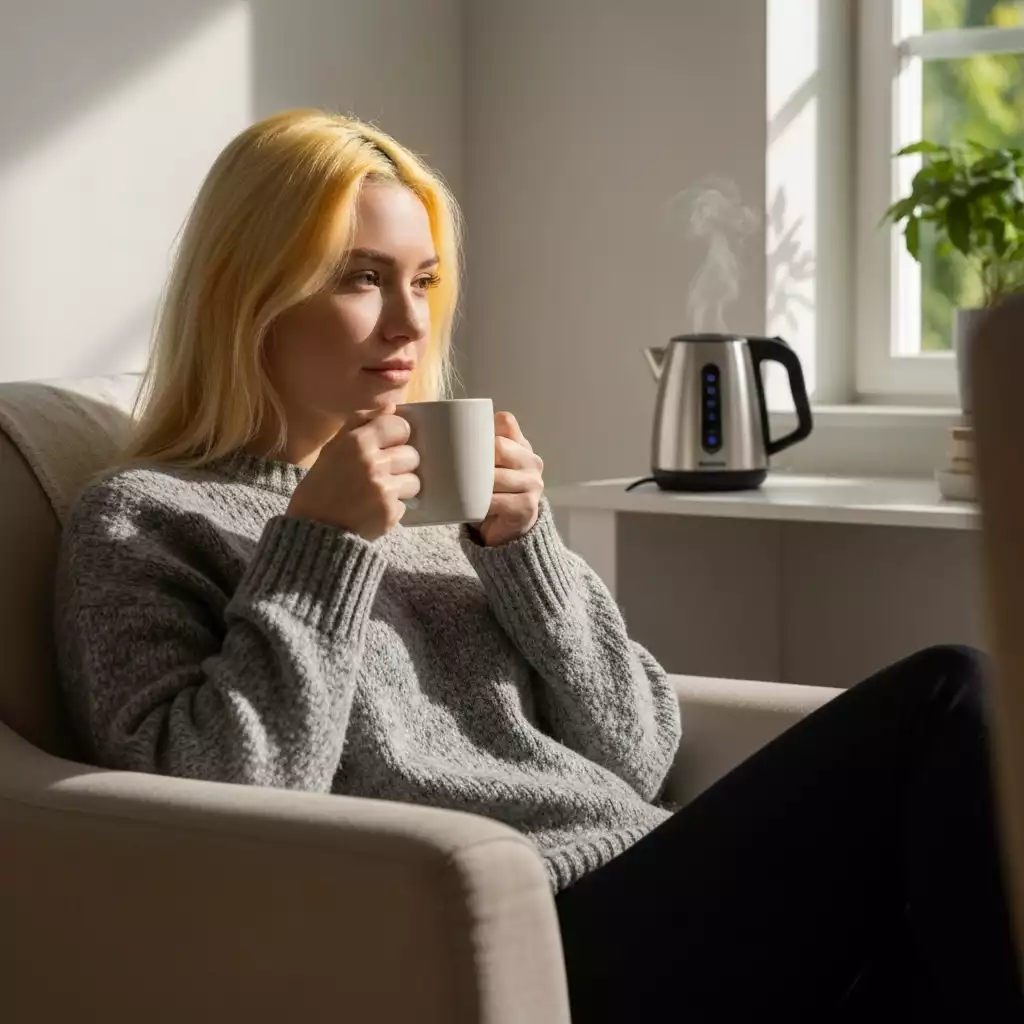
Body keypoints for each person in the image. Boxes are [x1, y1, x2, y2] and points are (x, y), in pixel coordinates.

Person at [56, 109, 1021, 1022]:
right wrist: (321, 547)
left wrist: (527, 556)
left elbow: (637, 754)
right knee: (948, 696)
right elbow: (215, 809)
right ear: (249, 294)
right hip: (520, 938)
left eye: (424, 281)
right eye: (361, 278)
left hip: (640, 877)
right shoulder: (143, 518)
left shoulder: (443, 508)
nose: (409, 323)